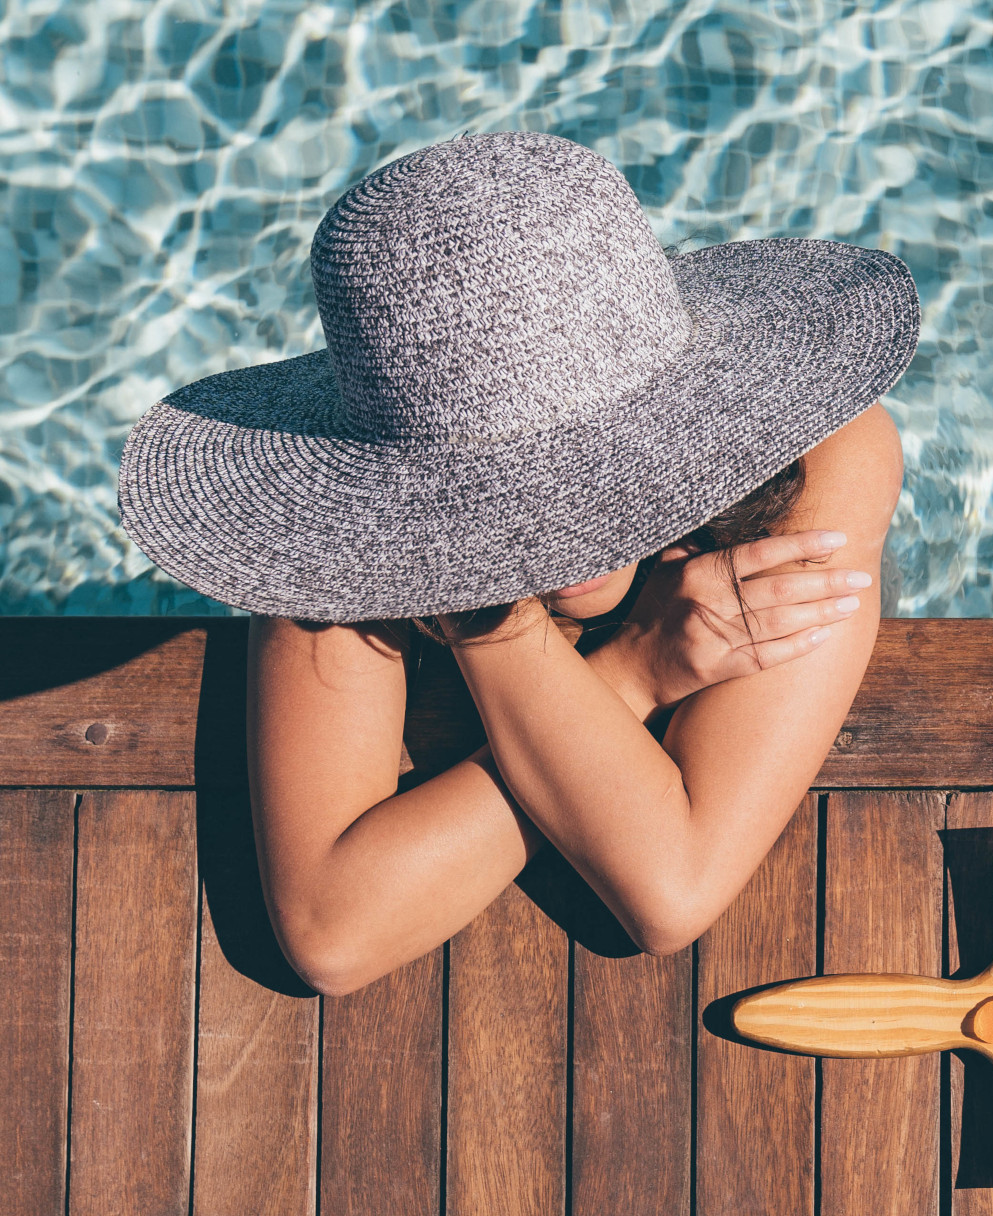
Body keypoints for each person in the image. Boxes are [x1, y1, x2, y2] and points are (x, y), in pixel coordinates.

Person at [116, 131, 919, 995]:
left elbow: (673, 889)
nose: (565, 536)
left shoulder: (821, 454)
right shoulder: (343, 529)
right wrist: (626, 669)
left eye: (598, 471)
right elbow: (333, 933)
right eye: (509, 498)